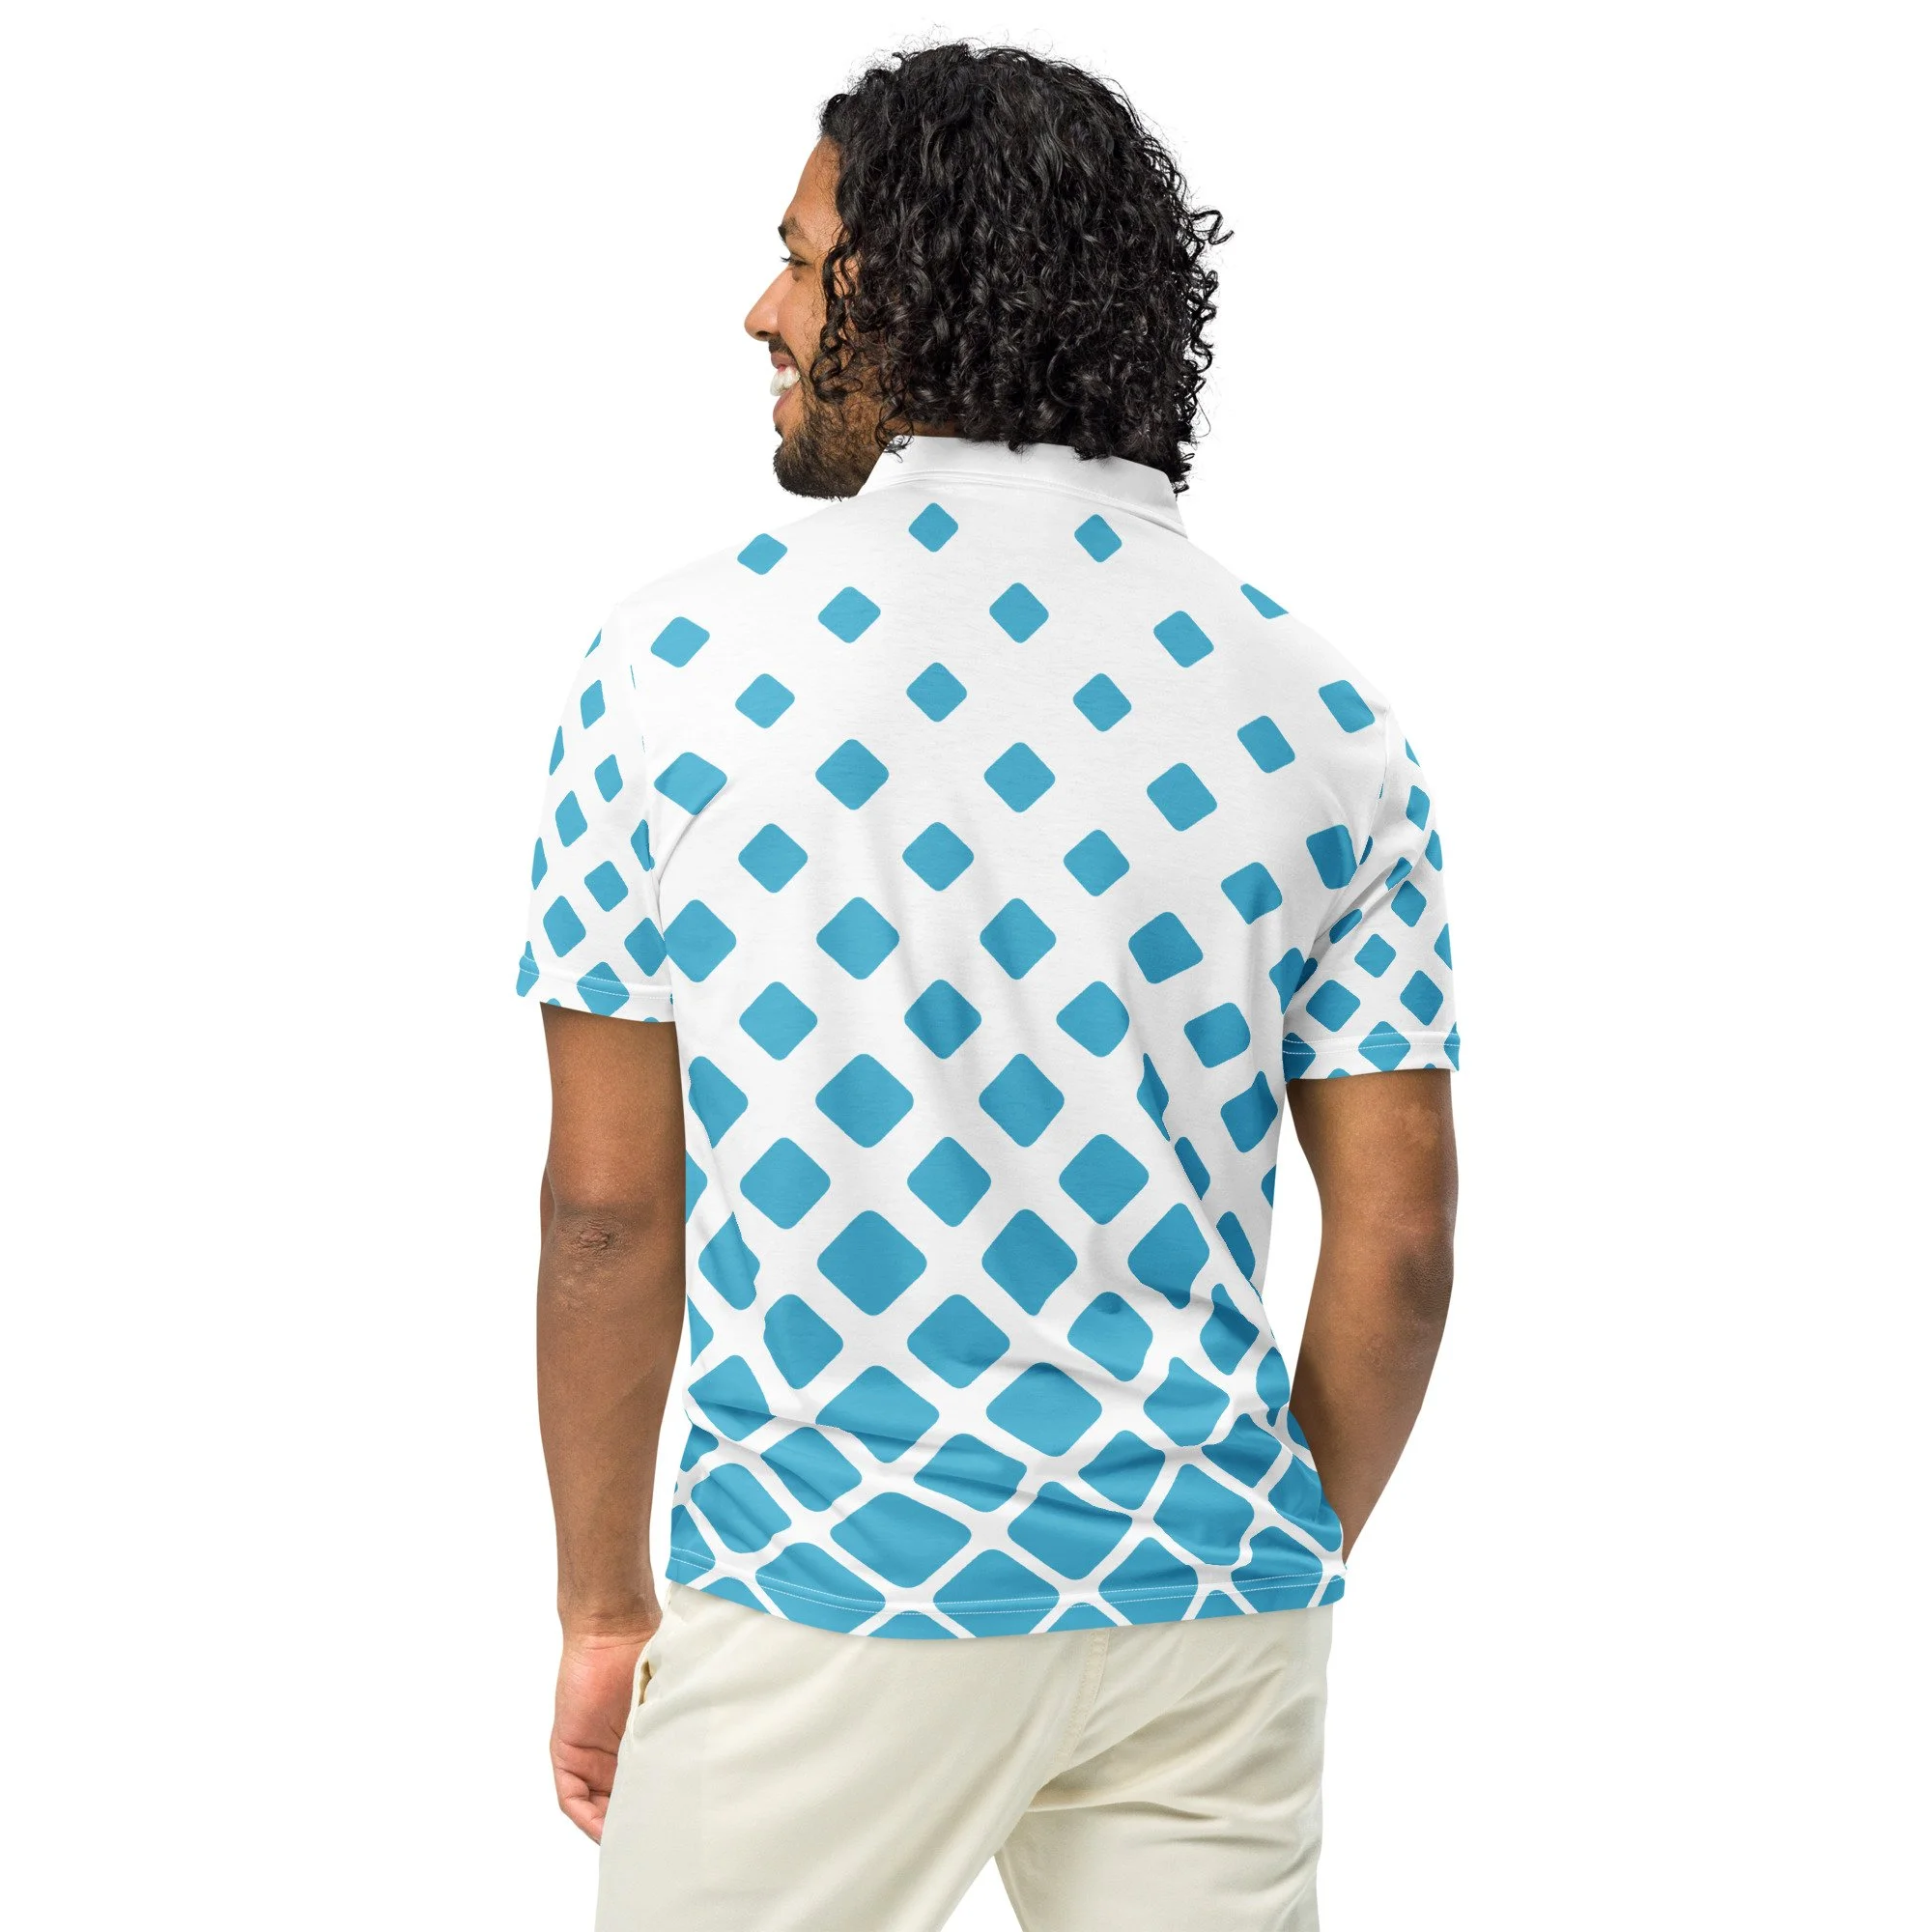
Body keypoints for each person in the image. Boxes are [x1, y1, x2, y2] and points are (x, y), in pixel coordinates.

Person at [518, 41, 1461, 1932]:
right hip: (1206, 1593)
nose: (763, 311)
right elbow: (1403, 1238)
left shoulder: (670, 670)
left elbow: (610, 1210)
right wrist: (1251, 1556)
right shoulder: (1324, 709)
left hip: (832, 1582)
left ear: (922, 289)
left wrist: (606, 1607)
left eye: (807, 263)